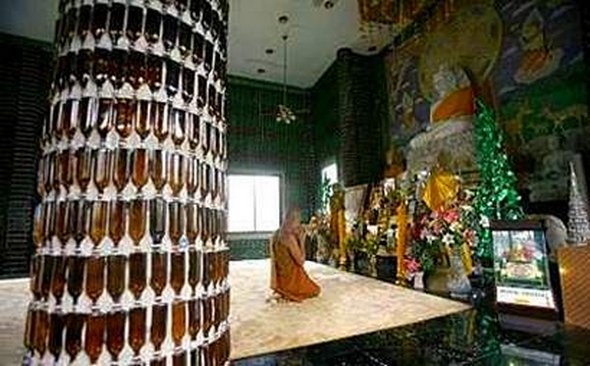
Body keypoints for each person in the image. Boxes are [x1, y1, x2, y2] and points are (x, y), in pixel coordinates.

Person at [270, 207, 321, 302]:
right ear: (294, 220)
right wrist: (302, 241)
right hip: (291, 281)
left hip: (280, 281)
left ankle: (282, 290)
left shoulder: (276, 234)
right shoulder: (289, 238)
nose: (299, 225)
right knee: (316, 290)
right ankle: (290, 292)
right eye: (298, 221)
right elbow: (301, 261)